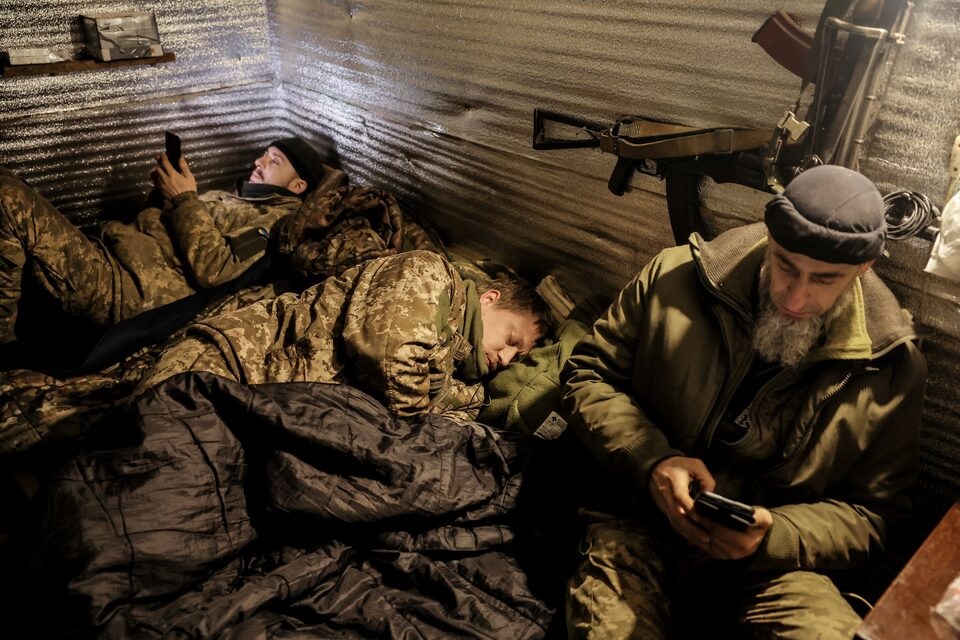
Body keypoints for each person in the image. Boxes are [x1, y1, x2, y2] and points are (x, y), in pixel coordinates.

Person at [560, 164, 927, 639]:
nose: (795, 297)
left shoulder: (892, 365)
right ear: (769, 238)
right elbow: (587, 374)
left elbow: (874, 517)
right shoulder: (675, 277)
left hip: (774, 562)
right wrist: (652, 461)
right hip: (640, 518)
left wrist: (775, 535)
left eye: (824, 279)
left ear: (864, 268)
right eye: (785, 265)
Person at [136, 249, 553, 420]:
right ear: (489, 299)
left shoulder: (463, 382)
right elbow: (390, 357)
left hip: (267, 411)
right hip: (231, 367)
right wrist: (415, 423)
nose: (506, 358)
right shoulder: (431, 274)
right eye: (511, 340)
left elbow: (449, 428)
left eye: (517, 358)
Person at [0, 136, 330, 347]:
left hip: (122, 285)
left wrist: (184, 198)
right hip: (113, 255)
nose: (259, 162)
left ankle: (4, 345)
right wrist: (162, 195)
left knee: (7, 195)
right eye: (263, 155)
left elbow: (215, 269)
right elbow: (163, 232)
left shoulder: (276, 222)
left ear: (297, 186)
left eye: (274, 161)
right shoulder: (234, 198)